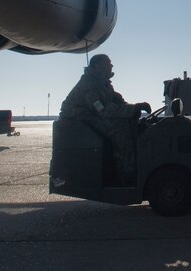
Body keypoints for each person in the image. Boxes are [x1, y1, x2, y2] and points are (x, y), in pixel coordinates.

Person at [59, 54, 151, 185]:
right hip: (77, 119)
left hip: (89, 116)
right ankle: (128, 176)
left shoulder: (104, 84)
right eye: (108, 63)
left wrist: (134, 109)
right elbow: (102, 109)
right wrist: (133, 109)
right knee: (120, 130)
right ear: (97, 66)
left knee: (131, 123)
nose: (111, 66)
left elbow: (117, 103)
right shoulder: (88, 84)